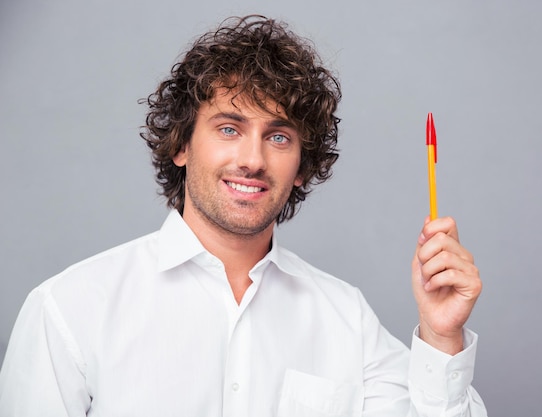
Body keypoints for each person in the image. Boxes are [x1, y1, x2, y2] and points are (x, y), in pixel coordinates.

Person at [0, 15, 487, 417]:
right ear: (182, 145)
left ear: (302, 166)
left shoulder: (346, 318)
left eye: (279, 137)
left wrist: (442, 336)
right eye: (229, 128)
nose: (253, 159)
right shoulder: (67, 309)